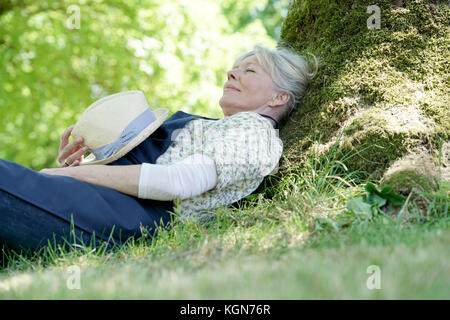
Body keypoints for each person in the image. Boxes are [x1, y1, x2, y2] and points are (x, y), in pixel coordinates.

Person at [0, 44, 318, 260]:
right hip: (114, 209)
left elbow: (177, 182)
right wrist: (94, 158)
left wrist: (73, 174)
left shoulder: (254, 132)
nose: (231, 73)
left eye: (249, 71)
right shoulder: (216, 127)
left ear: (278, 98)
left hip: (135, 220)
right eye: (235, 68)